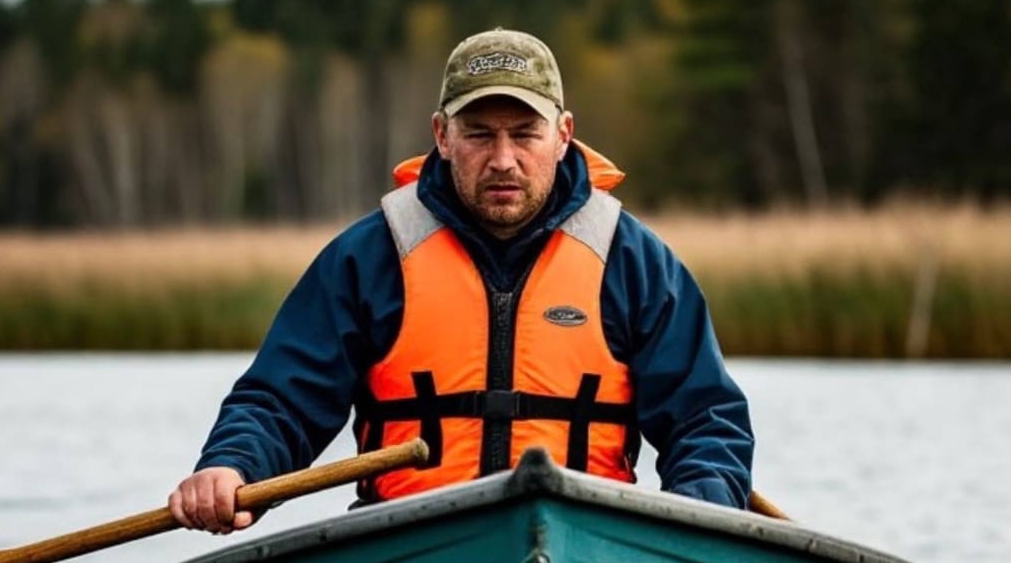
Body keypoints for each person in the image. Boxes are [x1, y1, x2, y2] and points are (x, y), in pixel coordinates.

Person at [169, 28, 753, 533]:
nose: (503, 159)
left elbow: (706, 422)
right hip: (403, 546)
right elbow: (282, 401)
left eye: (525, 133)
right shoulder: (370, 258)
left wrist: (696, 516)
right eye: (479, 134)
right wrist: (233, 465)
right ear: (442, 136)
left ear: (564, 133)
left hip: (590, 546)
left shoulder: (635, 263)